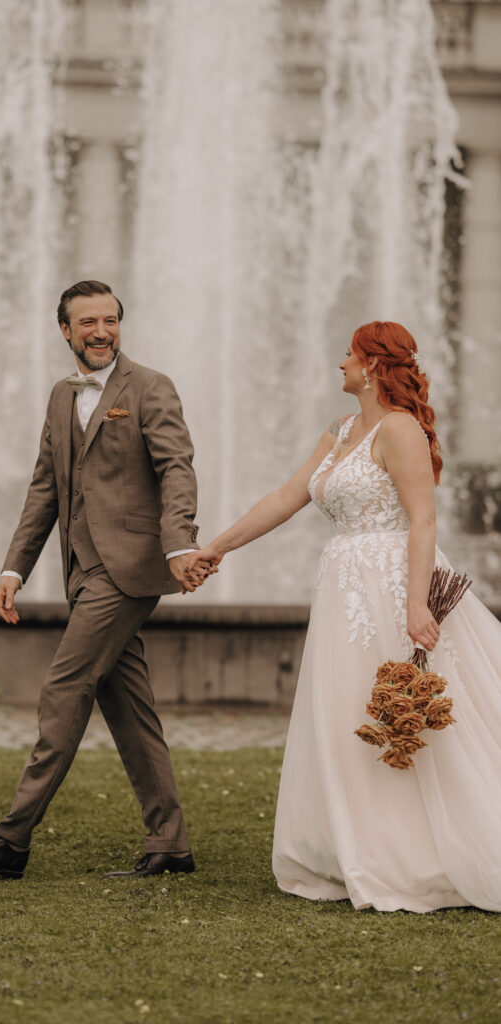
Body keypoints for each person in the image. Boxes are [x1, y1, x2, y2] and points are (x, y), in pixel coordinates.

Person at [188, 321, 501, 913]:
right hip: (342, 587)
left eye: (350, 356)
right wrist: (218, 548)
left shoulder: (400, 429)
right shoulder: (339, 432)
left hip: (390, 582)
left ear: (375, 366)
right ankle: (358, 846)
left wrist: (415, 603)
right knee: (350, 712)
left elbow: (423, 520)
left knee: (412, 714)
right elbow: (286, 497)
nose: (341, 364)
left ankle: (424, 855)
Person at [0, 280, 209, 880]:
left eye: (109, 320)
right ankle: (170, 843)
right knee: (127, 706)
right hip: (82, 572)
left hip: (130, 568)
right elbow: (44, 489)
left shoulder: (150, 387)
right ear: (65, 330)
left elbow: (176, 470)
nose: (100, 332)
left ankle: (10, 841)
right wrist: (15, 566)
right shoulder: (62, 397)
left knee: (64, 689)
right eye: (87, 322)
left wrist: (179, 543)